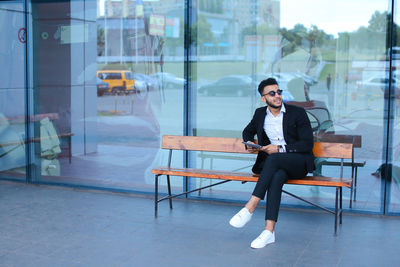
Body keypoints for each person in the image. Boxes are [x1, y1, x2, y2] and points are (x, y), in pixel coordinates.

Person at [229, 78, 315, 249]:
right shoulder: (260, 114)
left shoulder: (297, 113)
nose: (277, 96)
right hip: (277, 166)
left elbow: (307, 144)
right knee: (276, 177)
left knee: (274, 157)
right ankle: (269, 232)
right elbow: (247, 131)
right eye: (272, 93)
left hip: (299, 162)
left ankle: (250, 207)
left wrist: (280, 148)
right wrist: (250, 143)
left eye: (279, 92)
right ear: (264, 98)